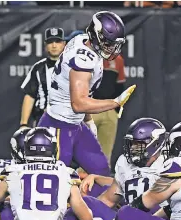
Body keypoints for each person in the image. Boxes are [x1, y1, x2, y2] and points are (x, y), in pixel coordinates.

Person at [38, 11, 136, 197]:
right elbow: (79, 103)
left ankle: (94, 217)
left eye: (114, 44)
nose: (112, 48)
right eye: (108, 43)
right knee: (54, 182)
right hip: (58, 126)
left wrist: (89, 121)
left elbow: (84, 94)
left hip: (74, 124)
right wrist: (115, 102)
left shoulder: (82, 40)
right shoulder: (83, 59)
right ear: (96, 36)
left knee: (100, 173)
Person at [0, 127, 93, 220]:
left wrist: (13, 196)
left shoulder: (13, 170)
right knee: (74, 212)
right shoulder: (66, 172)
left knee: (2, 206)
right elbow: (87, 219)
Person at [75, 118, 168, 220]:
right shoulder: (124, 162)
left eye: (138, 144)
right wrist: (80, 209)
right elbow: (109, 199)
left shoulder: (169, 164)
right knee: (88, 202)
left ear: (155, 144)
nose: (132, 148)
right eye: (131, 144)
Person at [20, 28, 66, 128]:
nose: (54, 45)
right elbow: (30, 95)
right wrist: (23, 124)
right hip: (42, 121)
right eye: (50, 42)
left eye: (57, 41)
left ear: (64, 44)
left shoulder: (72, 66)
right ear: (45, 45)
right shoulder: (38, 68)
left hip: (67, 121)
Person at [91, 54, 127, 167]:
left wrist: (115, 109)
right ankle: (81, 181)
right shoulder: (89, 57)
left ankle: (103, 181)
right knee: (85, 149)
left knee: (105, 153)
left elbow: (120, 86)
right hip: (91, 107)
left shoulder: (118, 60)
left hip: (109, 110)